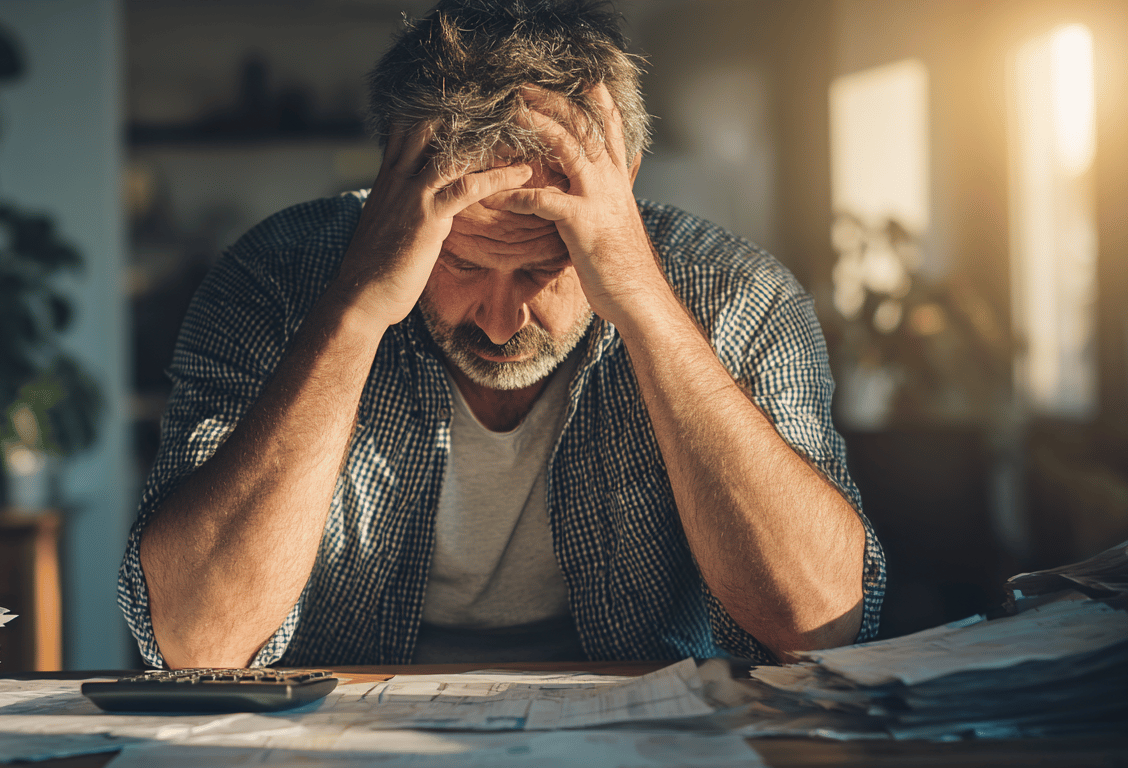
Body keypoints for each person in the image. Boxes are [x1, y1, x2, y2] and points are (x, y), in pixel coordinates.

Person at [118, 0, 885, 669]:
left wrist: (645, 302)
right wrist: (355, 310)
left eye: (542, 269)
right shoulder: (274, 280)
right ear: (390, 181)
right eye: (459, 263)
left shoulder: (736, 293)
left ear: (625, 182)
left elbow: (818, 628)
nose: (499, 320)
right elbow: (197, 641)